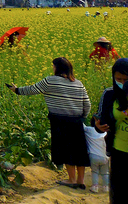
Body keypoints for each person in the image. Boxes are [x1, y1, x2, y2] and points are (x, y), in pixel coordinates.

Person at [7, 57, 91, 189]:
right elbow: (87, 104)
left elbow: (32, 89)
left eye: (53, 66)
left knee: (66, 149)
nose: (52, 68)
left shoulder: (50, 81)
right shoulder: (78, 83)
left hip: (59, 121)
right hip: (76, 121)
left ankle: (72, 179)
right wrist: (82, 117)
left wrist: (16, 90)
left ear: (57, 67)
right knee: (79, 150)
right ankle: (81, 180)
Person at [96, 58, 128, 204]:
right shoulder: (109, 95)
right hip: (118, 151)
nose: (122, 82)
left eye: (126, 79)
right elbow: (100, 119)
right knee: (120, 193)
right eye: (118, 78)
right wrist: (98, 125)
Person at [84, 116, 109, 193]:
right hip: (105, 157)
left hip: (93, 156)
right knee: (105, 173)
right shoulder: (106, 133)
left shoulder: (89, 130)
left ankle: (95, 187)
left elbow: (82, 125)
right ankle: (106, 187)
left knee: (95, 172)